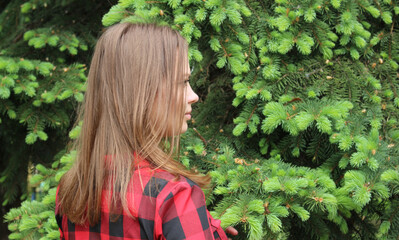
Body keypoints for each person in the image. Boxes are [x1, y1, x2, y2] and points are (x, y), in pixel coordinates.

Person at [55, 22, 238, 239]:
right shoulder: (172, 195)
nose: (193, 96)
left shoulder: (71, 189)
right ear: (143, 92)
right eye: (182, 82)